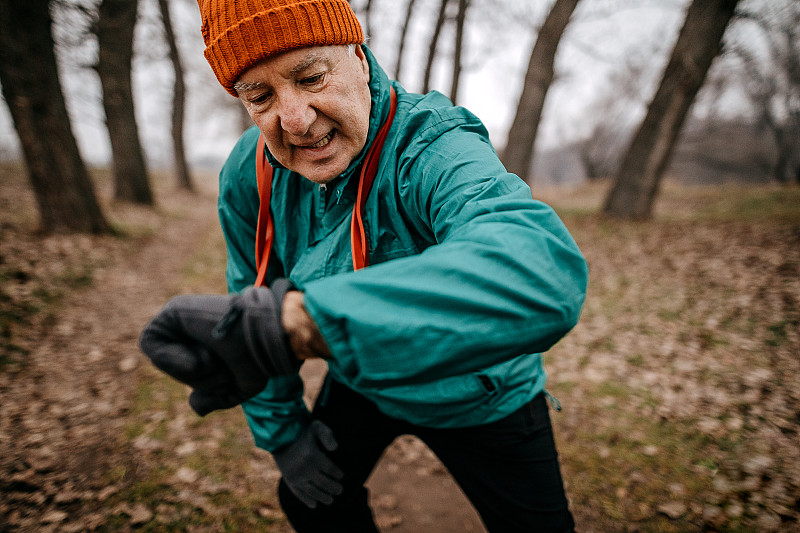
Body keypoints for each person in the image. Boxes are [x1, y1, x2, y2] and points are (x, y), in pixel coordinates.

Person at [140, 0, 589, 531]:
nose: (295, 120)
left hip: (478, 394)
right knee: (309, 500)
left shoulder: (433, 147)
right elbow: (251, 299)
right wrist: (284, 435)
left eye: (310, 77)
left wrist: (301, 325)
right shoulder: (250, 172)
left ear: (357, 54)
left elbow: (540, 271)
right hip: (362, 380)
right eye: (260, 96)